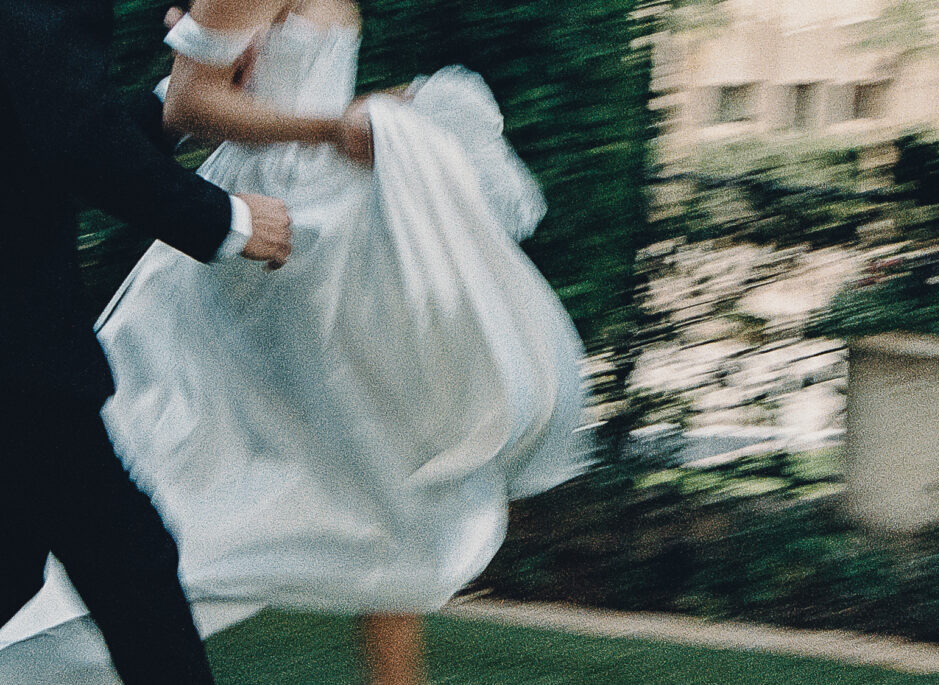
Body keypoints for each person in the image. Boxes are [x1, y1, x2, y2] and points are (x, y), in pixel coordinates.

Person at [0, 1, 589, 683]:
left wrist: (368, 118)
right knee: (132, 555)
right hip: (235, 257)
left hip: (56, 329)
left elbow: (61, 127)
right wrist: (239, 206)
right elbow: (83, 134)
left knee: (110, 560)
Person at [0, 1, 299, 683]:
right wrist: (224, 219)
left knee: (24, 560)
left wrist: (173, 106)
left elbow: (41, 138)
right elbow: (73, 137)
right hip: (18, 354)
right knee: (131, 567)